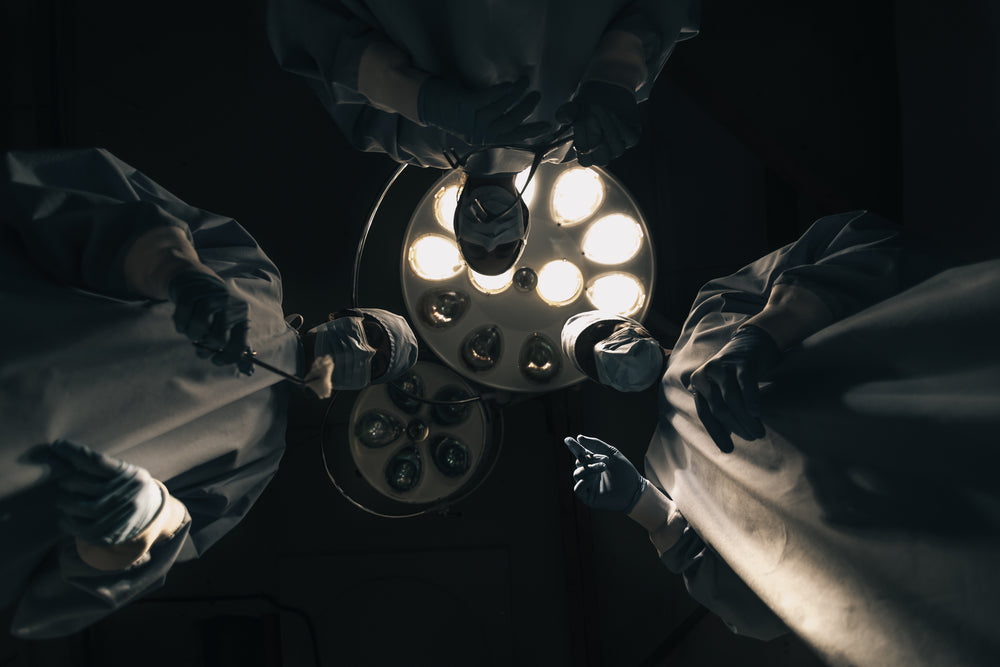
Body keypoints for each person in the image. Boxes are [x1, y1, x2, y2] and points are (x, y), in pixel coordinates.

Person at [0, 148, 419, 639]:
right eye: (370, 332)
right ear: (343, 316)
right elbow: (94, 208)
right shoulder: (250, 275)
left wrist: (145, 522)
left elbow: (142, 558)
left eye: (374, 364)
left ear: (354, 389)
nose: (363, 349)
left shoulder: (255, 459)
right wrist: (176, 270)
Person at [561, 211, 1000, 666]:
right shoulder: (665, 467)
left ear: (634, 323)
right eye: (595, 364)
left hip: (938, 413)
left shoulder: (714, 307)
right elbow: (755, 615)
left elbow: (862, 238)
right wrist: (644, 506)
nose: (605, 352)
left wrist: (768, 330)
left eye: (605, 333)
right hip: (913, 553)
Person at [267, 0, 700, 274]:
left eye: (477, 245)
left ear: (454, 218)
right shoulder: (577, 140)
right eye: (505, 244)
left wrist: (419, 97)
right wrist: (617, 72)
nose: (491, 233)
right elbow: (656, 13)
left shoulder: (400, 139)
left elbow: (314, 31)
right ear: (526, 222)